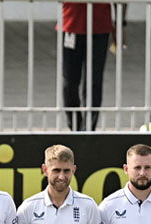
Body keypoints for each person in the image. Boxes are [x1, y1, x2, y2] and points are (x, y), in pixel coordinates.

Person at [61, 2, 113, 131]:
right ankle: (75, 125)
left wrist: (120, 25)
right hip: (71, 23)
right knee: (69, 82)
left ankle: (88, 129)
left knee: (94, 81)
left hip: (100, 25)